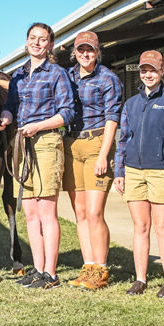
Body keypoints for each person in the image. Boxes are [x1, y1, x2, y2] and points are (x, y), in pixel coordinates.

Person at [0, 22, 74, 289]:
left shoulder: (57, 74)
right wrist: (5, 119)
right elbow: (10, 107)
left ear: (50, 45)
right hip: (22, 143)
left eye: (42, 39)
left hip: (46, 142)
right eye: (32, 38)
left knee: (46, 210)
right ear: (26, 41)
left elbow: (67, 114)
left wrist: (38, 126)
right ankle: (38, 269)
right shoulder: (18, 75)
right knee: (29, 210)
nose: (37, 42)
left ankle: (51, 274)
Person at [113, 50, 164, 298]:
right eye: (144, 70)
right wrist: (119, 170)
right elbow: (123, 140)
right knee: (140, 226)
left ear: (162, 71)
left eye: (153, 69)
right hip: (134, 170)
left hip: (161, 172)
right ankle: (141, 279)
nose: (148, 74)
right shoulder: (130, 104)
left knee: (162, 227)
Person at [62, 31, 123, 290]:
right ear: (74, 52)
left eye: (90, 50)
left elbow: (112, 119)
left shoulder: (108, 78)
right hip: (71, 144)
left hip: (97, 142)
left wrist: (103, 155)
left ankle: (101, 269)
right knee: (81, 212)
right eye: (81, 50)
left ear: (98, 52)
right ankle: (88, 267)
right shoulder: (67, 77)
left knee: (96, 212)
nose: (85, 54)